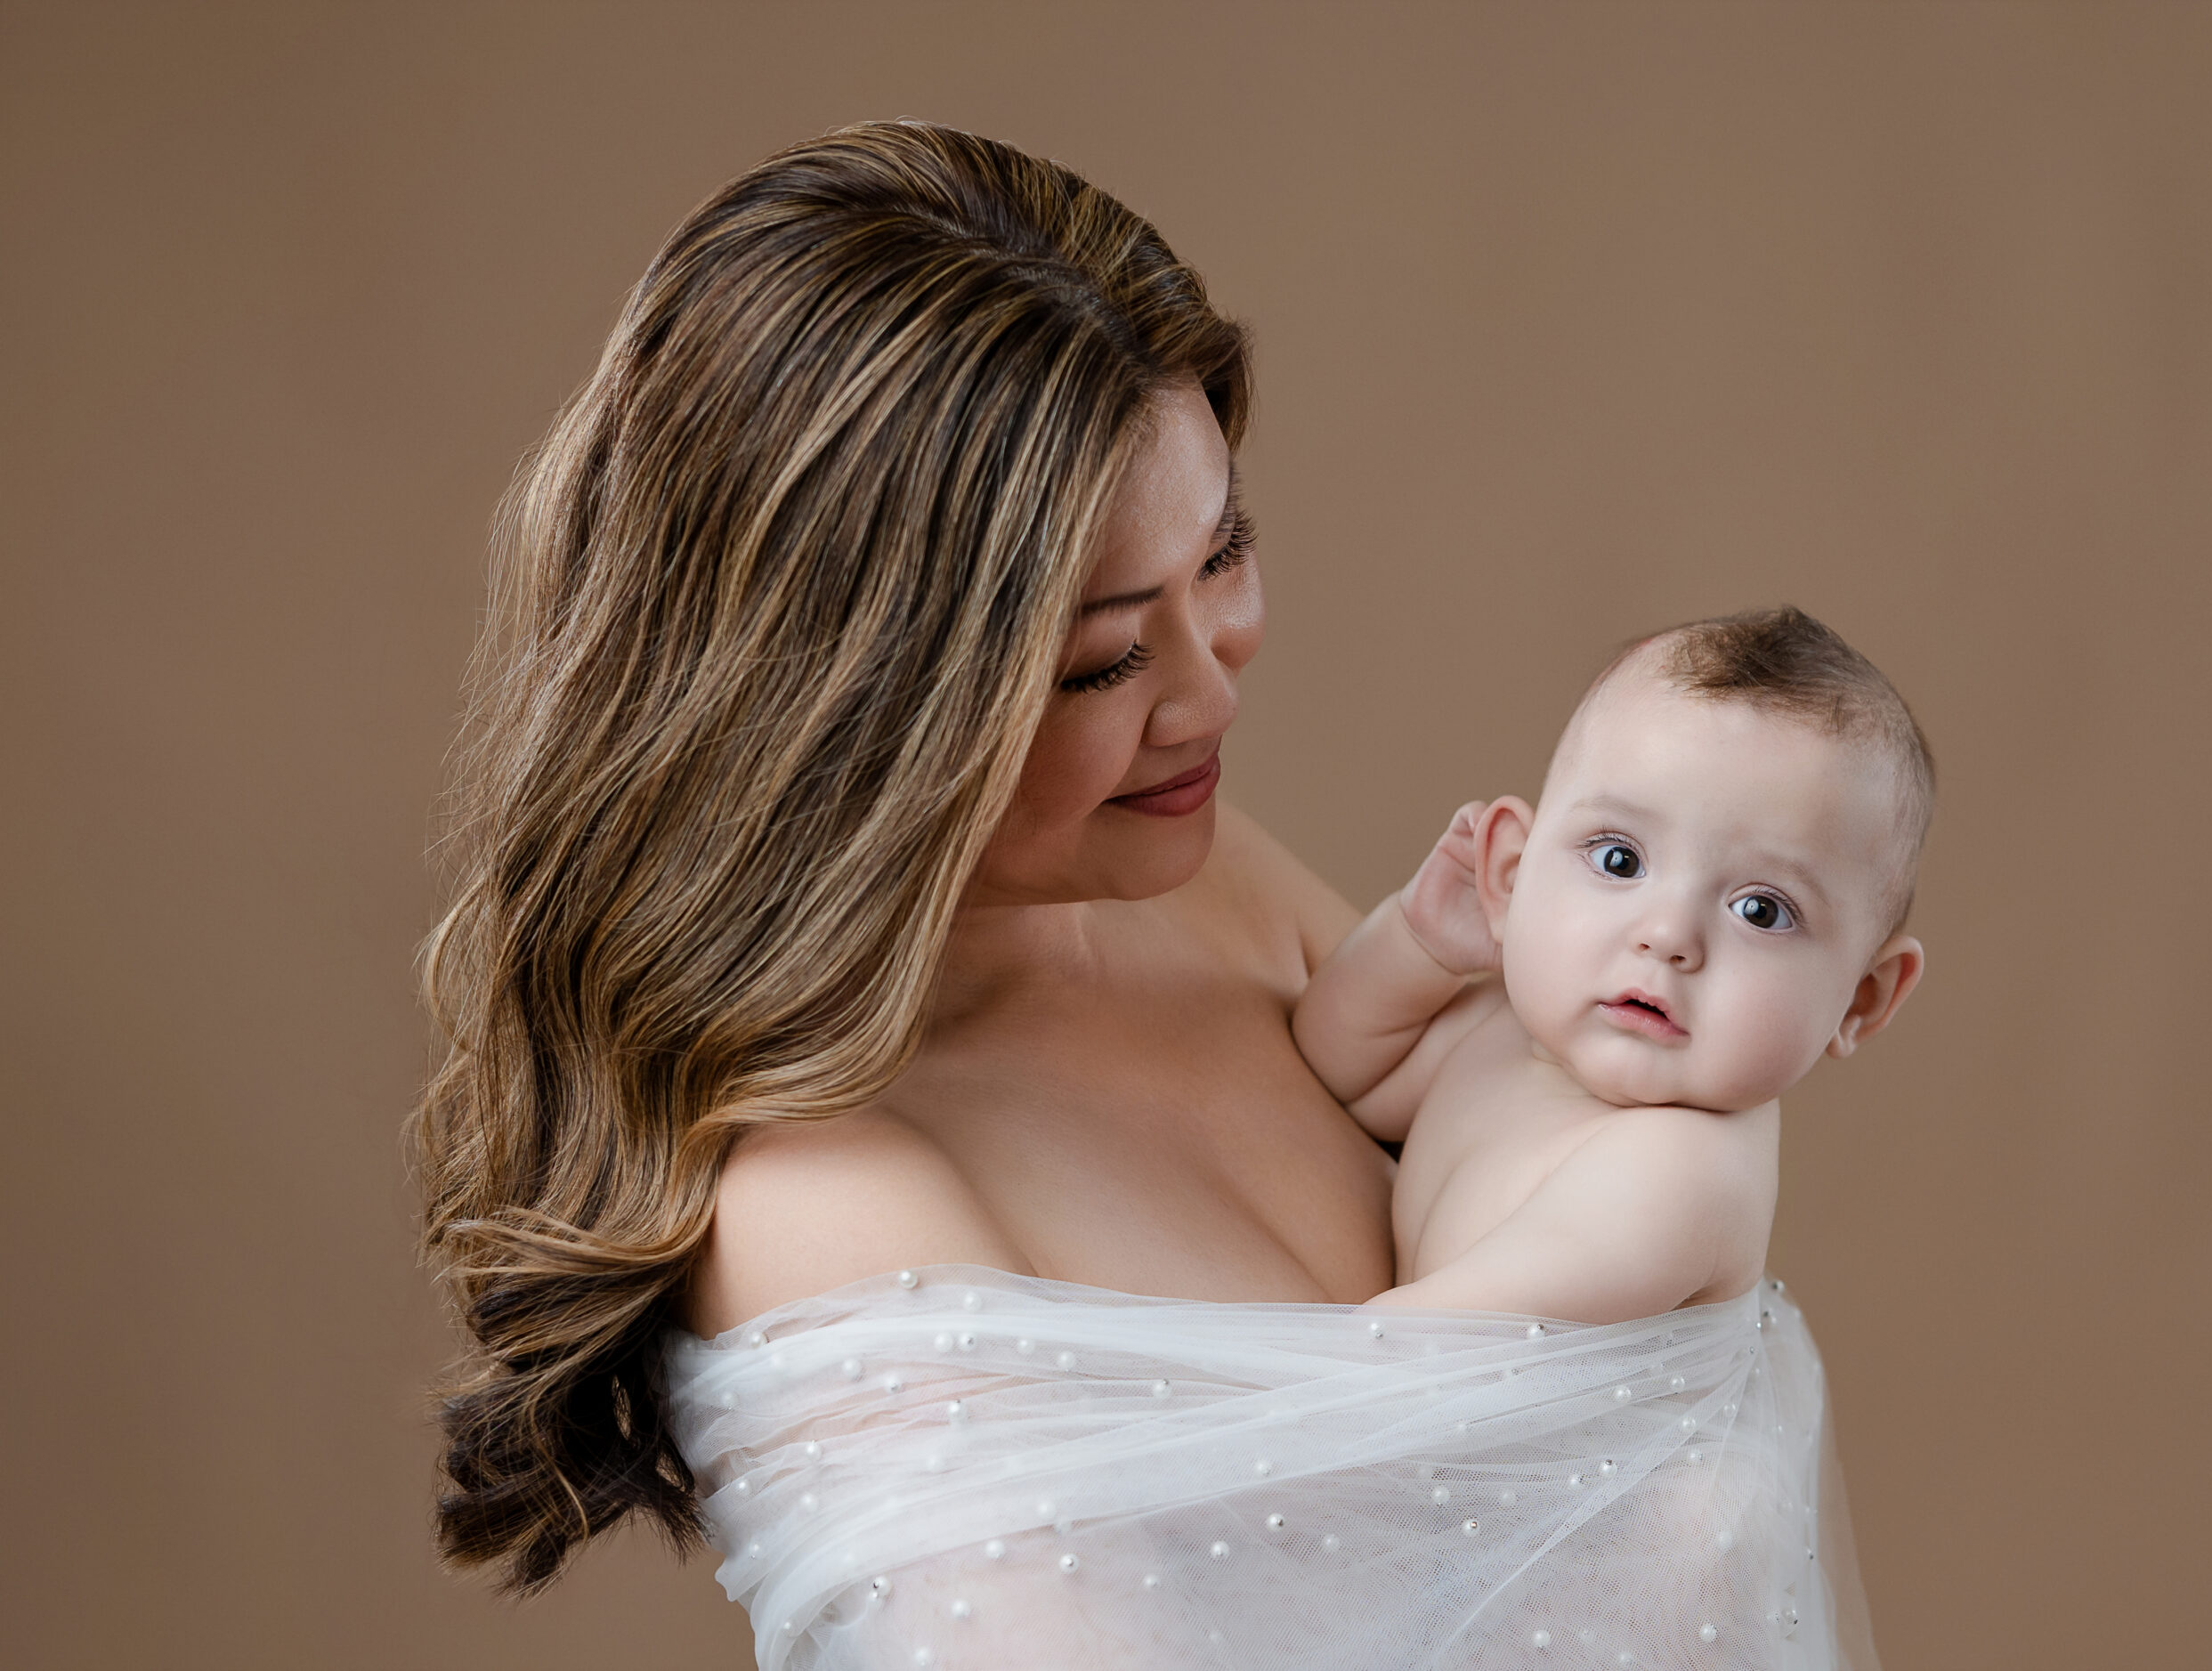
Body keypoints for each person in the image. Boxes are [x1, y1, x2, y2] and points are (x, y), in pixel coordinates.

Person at [419, 123, 1878, 1668]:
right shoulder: (833, 1207)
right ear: (852, 707)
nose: (1210, 689)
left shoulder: (1193, 875)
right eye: (1106, 658)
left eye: (1224, 552)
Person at [1294, 607, 1930, 1322]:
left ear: (1861, 999)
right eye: (1619, 859)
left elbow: (1417, 1349)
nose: (1668, 936)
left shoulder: (1683, 1175)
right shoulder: (1504, 1031)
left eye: (1760, 910)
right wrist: (1418, 941)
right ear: (1509, 873)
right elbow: (1337, 1066)